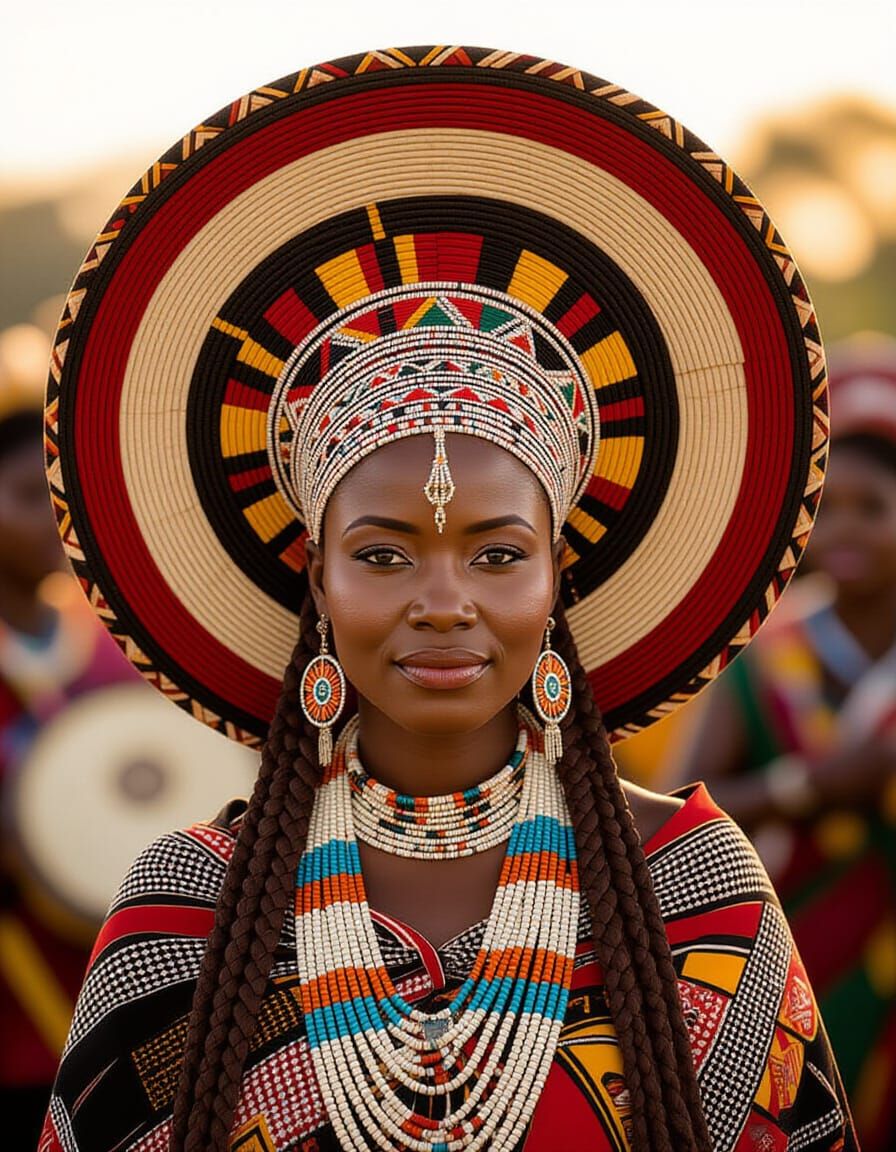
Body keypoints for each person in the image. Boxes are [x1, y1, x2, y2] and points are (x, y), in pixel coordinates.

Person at [38, 46, 856, 1152]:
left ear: (558, 579)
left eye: (497, 554)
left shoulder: (693, 893)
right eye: (381, 557)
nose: (441, 602)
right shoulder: (189, 912)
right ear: (316, 582)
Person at [669, 335, 896, 1152]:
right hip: (798, 965)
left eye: (872, 507)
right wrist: (812, 787)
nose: (845, 530)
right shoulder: (766, 657)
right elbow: (677, 817)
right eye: (828, 508)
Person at [0, 382, 132, 1146]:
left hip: (91, 989)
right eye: (26, 497)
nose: (52, 524)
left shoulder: (110, 658)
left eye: (57, 502)